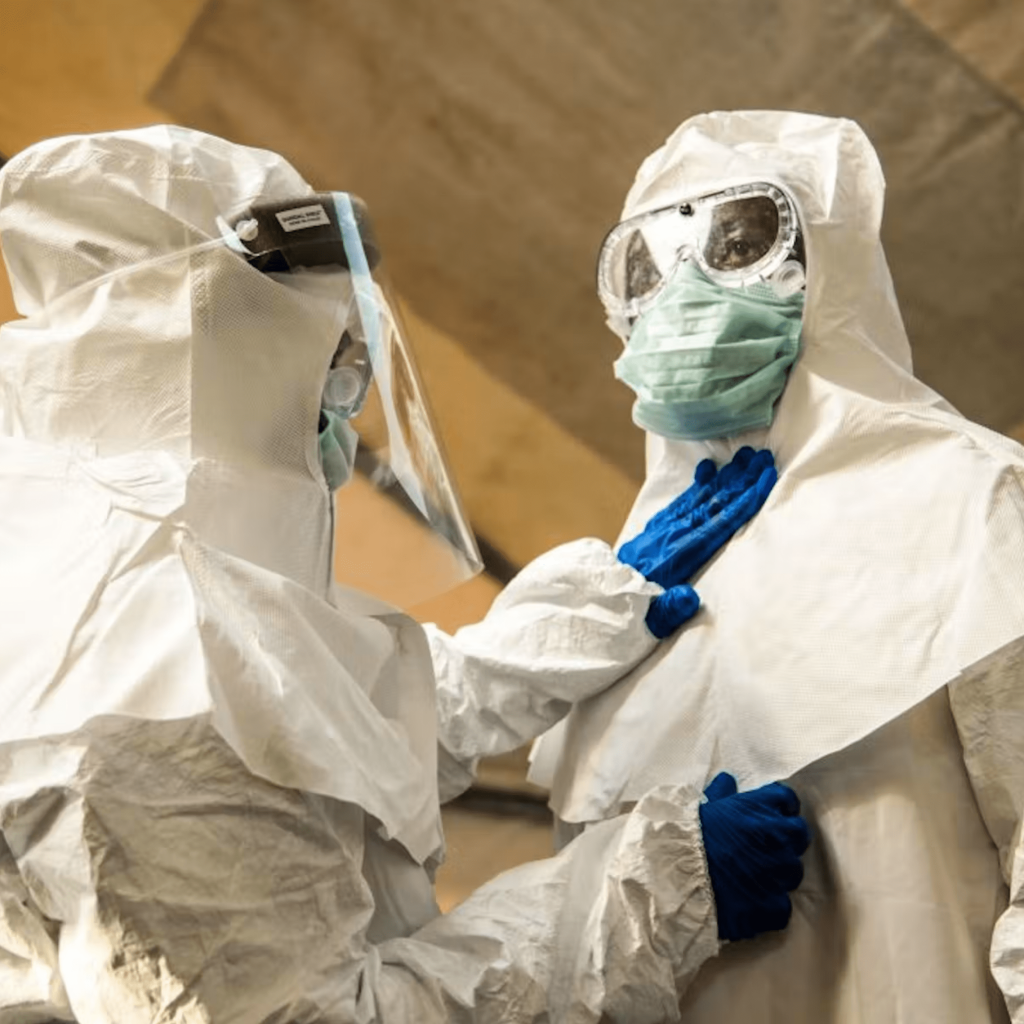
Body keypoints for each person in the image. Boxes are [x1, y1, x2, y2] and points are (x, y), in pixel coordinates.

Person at [0, 126, 806, 1023]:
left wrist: (579, 617)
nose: (345, 407)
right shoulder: (144, 675)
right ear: (227, 346)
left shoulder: (96, 553)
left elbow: (312, 742)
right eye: (333, 367)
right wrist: (636, 902)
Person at [529, 109, 1024, 1023]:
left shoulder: (967, 496)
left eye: (738, 243)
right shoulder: (631, 593)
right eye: (651, 264)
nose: (684, 292)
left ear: (824, 267)